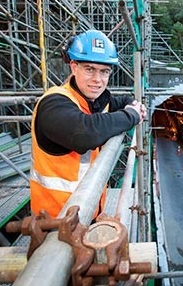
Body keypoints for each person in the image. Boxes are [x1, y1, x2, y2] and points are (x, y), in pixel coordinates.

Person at [30, 29, 147, 219]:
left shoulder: (91, 101)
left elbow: (120, 102)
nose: (97, 80)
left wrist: (132, 106)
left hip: (86, 213)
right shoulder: (53, 103)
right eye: (89, 69)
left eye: (104, 72)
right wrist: (132, 116)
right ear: (74, 67)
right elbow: (84, 134)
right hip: (53, 222)